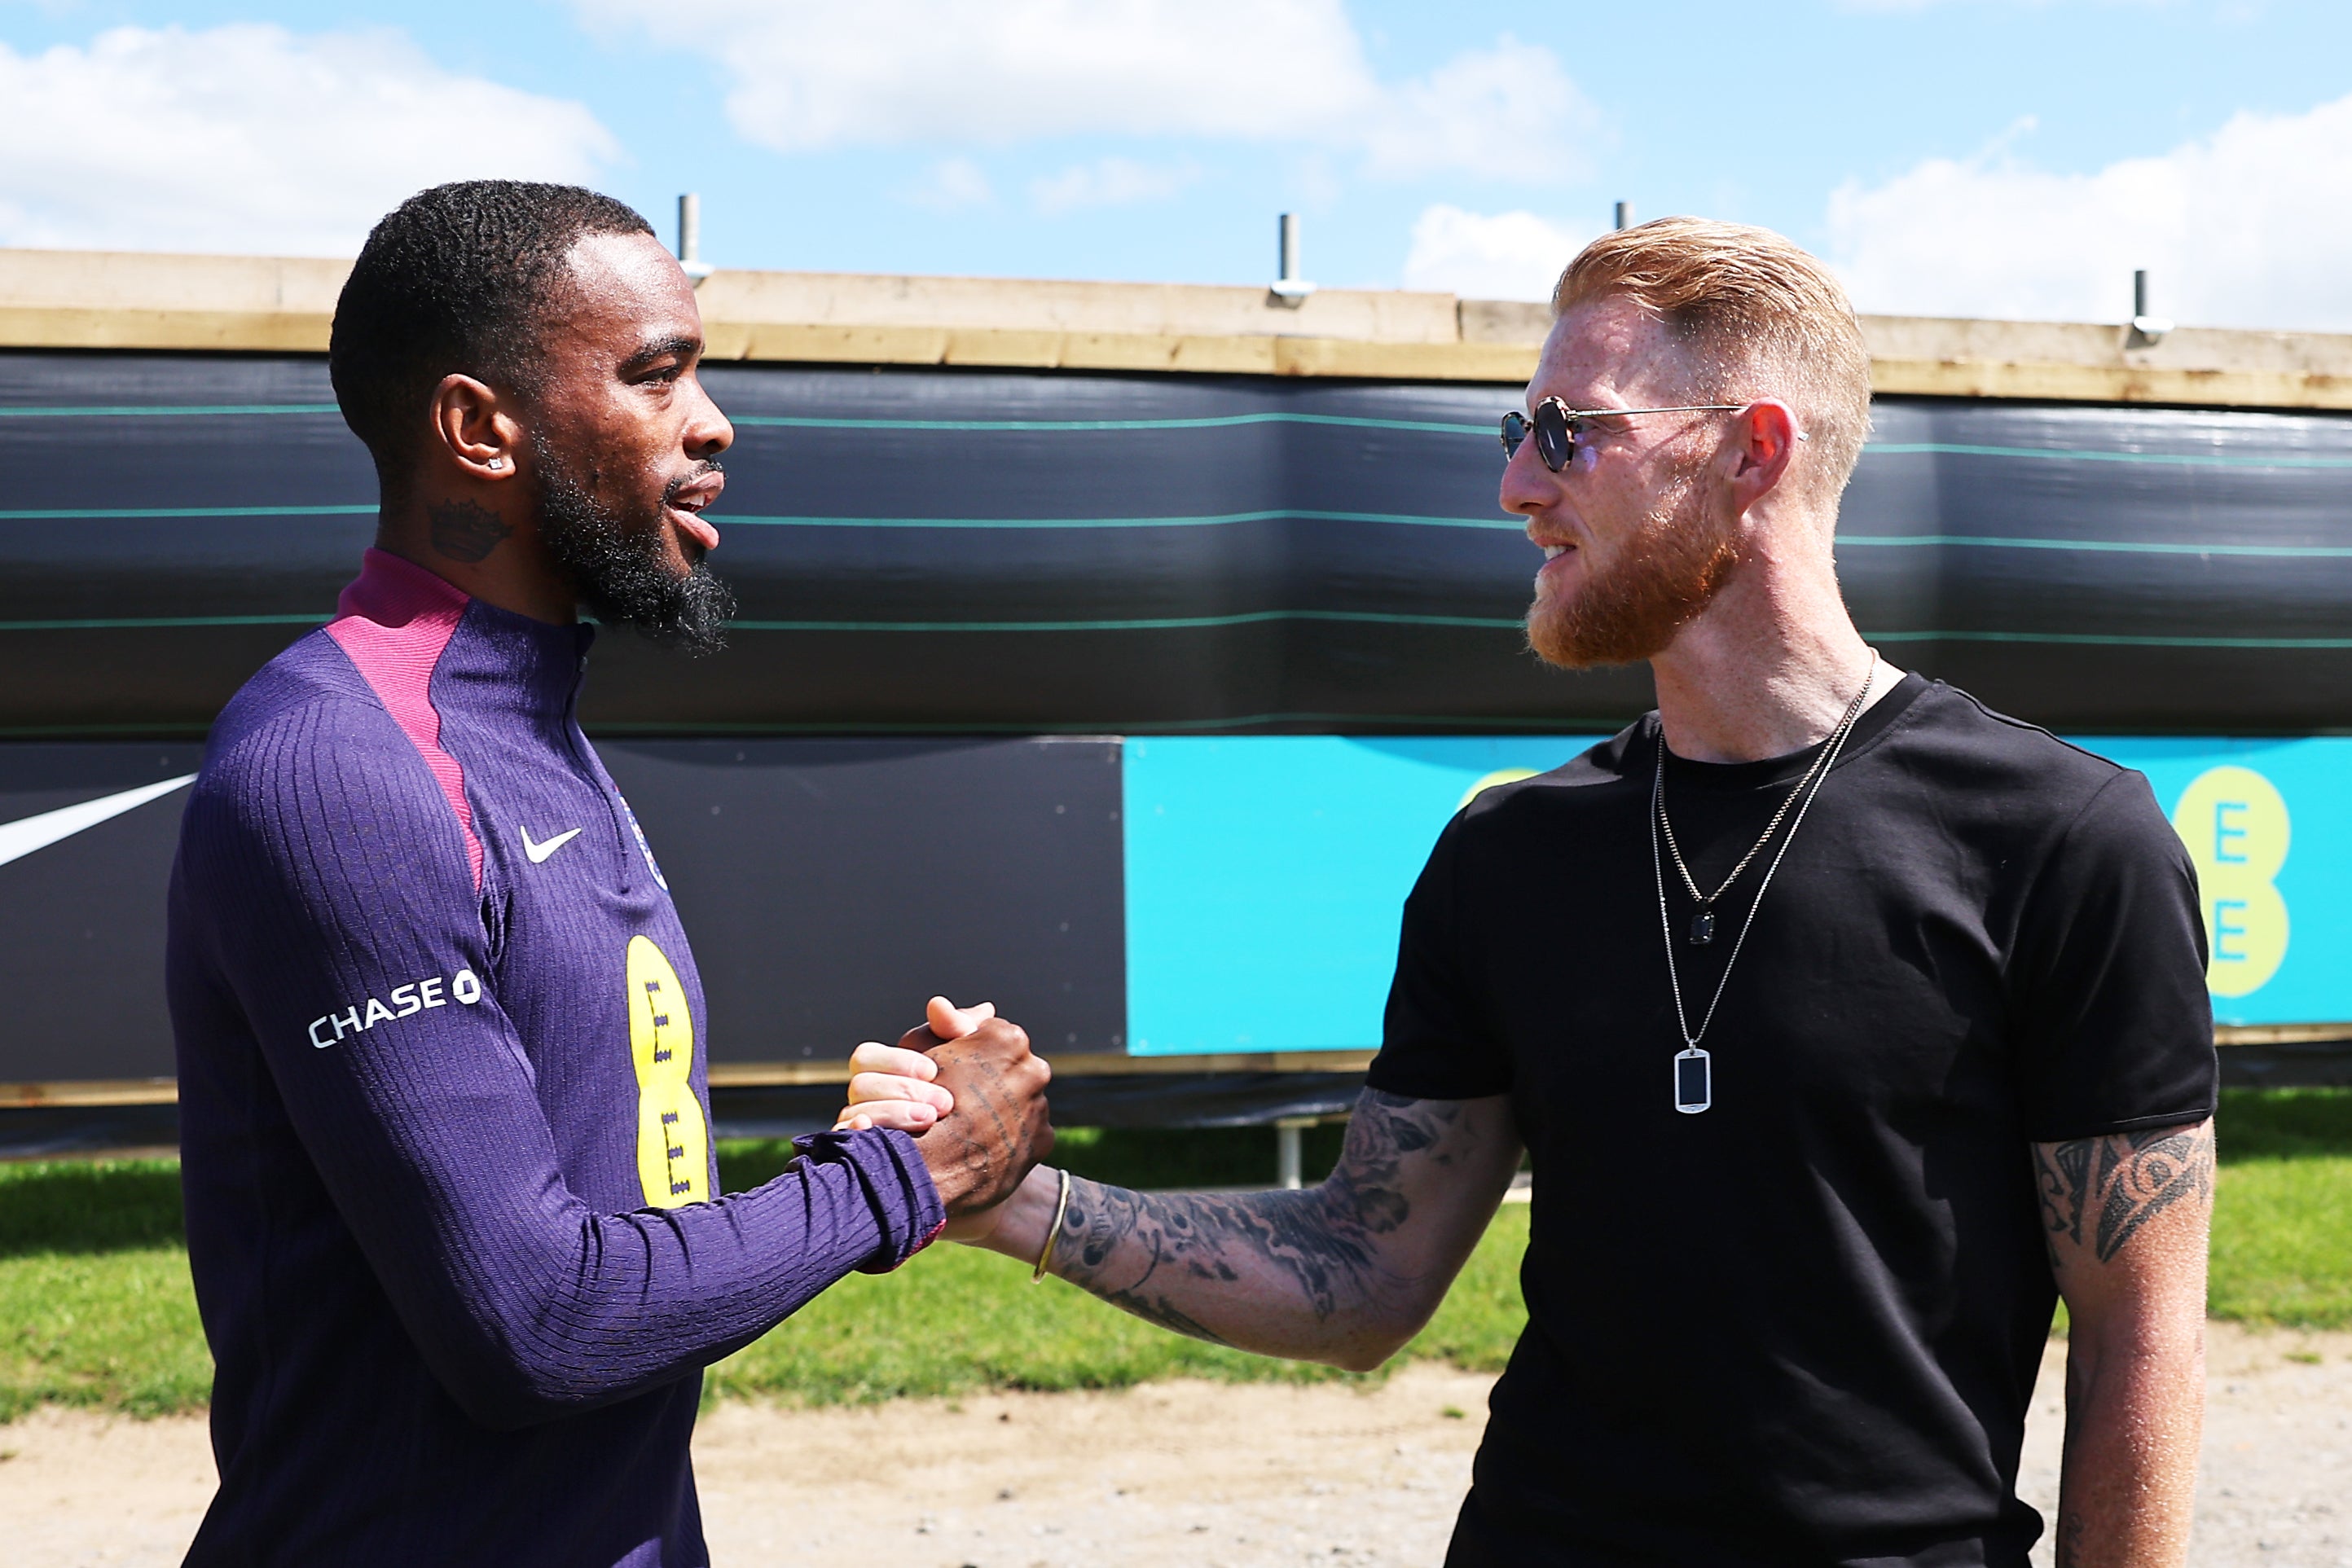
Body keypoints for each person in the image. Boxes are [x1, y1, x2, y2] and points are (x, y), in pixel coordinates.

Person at [844, 218, 2218, 1567]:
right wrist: (1005, 1197)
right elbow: (1363, 1273)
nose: (1516, 485)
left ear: (1755, 450)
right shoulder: (1508, 854)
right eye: (1513, 433)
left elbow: (2140, 1344)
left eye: (1571, 432)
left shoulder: (2063, 839)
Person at [166, 180, 1051, 1566]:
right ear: (477, 428)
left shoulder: (532, 735)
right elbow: (535, 1318)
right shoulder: (337, 768)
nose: (713, 423)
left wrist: (884, 1143)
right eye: (657, 375)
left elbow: (596, 1207)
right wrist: (898, 1179)